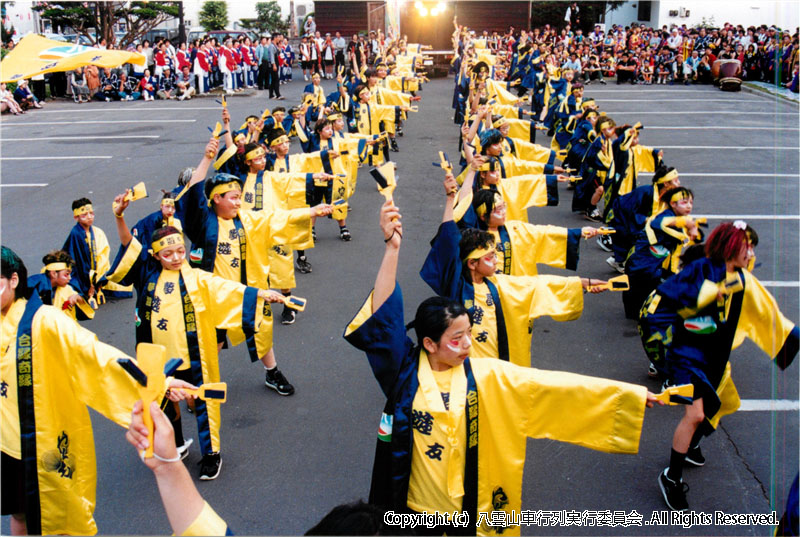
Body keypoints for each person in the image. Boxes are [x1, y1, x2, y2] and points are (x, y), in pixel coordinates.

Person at [343, 200, 662, 536]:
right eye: (456, 338)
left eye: (468, 334)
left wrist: (628, 397)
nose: (467, 344)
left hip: (466, 512)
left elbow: (553, 388)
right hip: (413, 511)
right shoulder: (405, 374)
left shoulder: (487, 376)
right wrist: (392, 249)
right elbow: (384, 320)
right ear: (429, 344)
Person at [0, 245, 189, 535]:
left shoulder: (43, 321)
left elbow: (92, 354)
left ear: (14, 280)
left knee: (60, 516)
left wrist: (154, 384)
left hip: (38, 441)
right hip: (4, 442)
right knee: (20, 513)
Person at [102, 182, 286, 480]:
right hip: (159, 359)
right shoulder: (146, 275)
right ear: (155, 254)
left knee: (203, 402)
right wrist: (120, 217)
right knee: (163, 404)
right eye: (168, 253)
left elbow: (230, 288)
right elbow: (128, 247)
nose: (176, 257)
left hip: (194, 356)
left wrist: (262, 295)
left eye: (179, 251)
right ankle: (173, 445)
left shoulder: (198, 278)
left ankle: (212, 453)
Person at [656, 222, 798, 512]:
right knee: (694, 415)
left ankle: (691, 446)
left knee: (718, 404)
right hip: (687, 356)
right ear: (732, 246)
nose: (752, 252)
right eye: (749, 246)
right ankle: (671, 477)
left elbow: (770, 315)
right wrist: (707, 296)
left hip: (715, 358)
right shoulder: (700, 269)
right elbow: (670, 299)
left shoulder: (744, 280)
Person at [178, 139, 332, 395]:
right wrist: (206, 159)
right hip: (216, 294)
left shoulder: (246, 220)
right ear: (216, 199)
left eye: (240, 197)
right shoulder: (203, 224)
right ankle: (200, 385)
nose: (239, 203)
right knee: (212, 342)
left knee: (261, 329)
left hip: (249, 291)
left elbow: (276, 218)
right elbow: (193, 193)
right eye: (234, 198)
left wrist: (310, 212)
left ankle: (272, 373)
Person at [421, 173, 605, 364]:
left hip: (495, 370)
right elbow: (447, 240)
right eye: (490, 257)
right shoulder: (456, 286)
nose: (495, 261)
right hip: (466, 370)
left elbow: (536, 284)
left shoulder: (499, 282)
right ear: (472, 263)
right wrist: (452, 197)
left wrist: (581, 284)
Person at [623, 187, 701, 320]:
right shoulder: (666, 218)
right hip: (642, 269)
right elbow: (659, 223)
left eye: (691, 203)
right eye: (684, 202)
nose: (689, 206)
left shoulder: (676, 217)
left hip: (650, 267)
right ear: (672, 204)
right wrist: (690, 225)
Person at [62, 197, 133, 303]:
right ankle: (89, 289)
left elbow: (103, 256)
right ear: (76, 217)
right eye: (84, 215)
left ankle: (98, 286)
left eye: (91, 213)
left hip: (96, 273)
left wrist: (99, 278)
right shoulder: (76, 234)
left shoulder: (98, 232)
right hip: (82, 273)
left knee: (125, 287)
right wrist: (89, 283)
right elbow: (79, 262)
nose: (89, 217)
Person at [27, 250, 94, 322]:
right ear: (54, 274)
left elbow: (86, 310)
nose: (70, 278)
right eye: (66, 274)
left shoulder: (66, 289)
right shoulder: (33, 285)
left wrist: (77, 297)